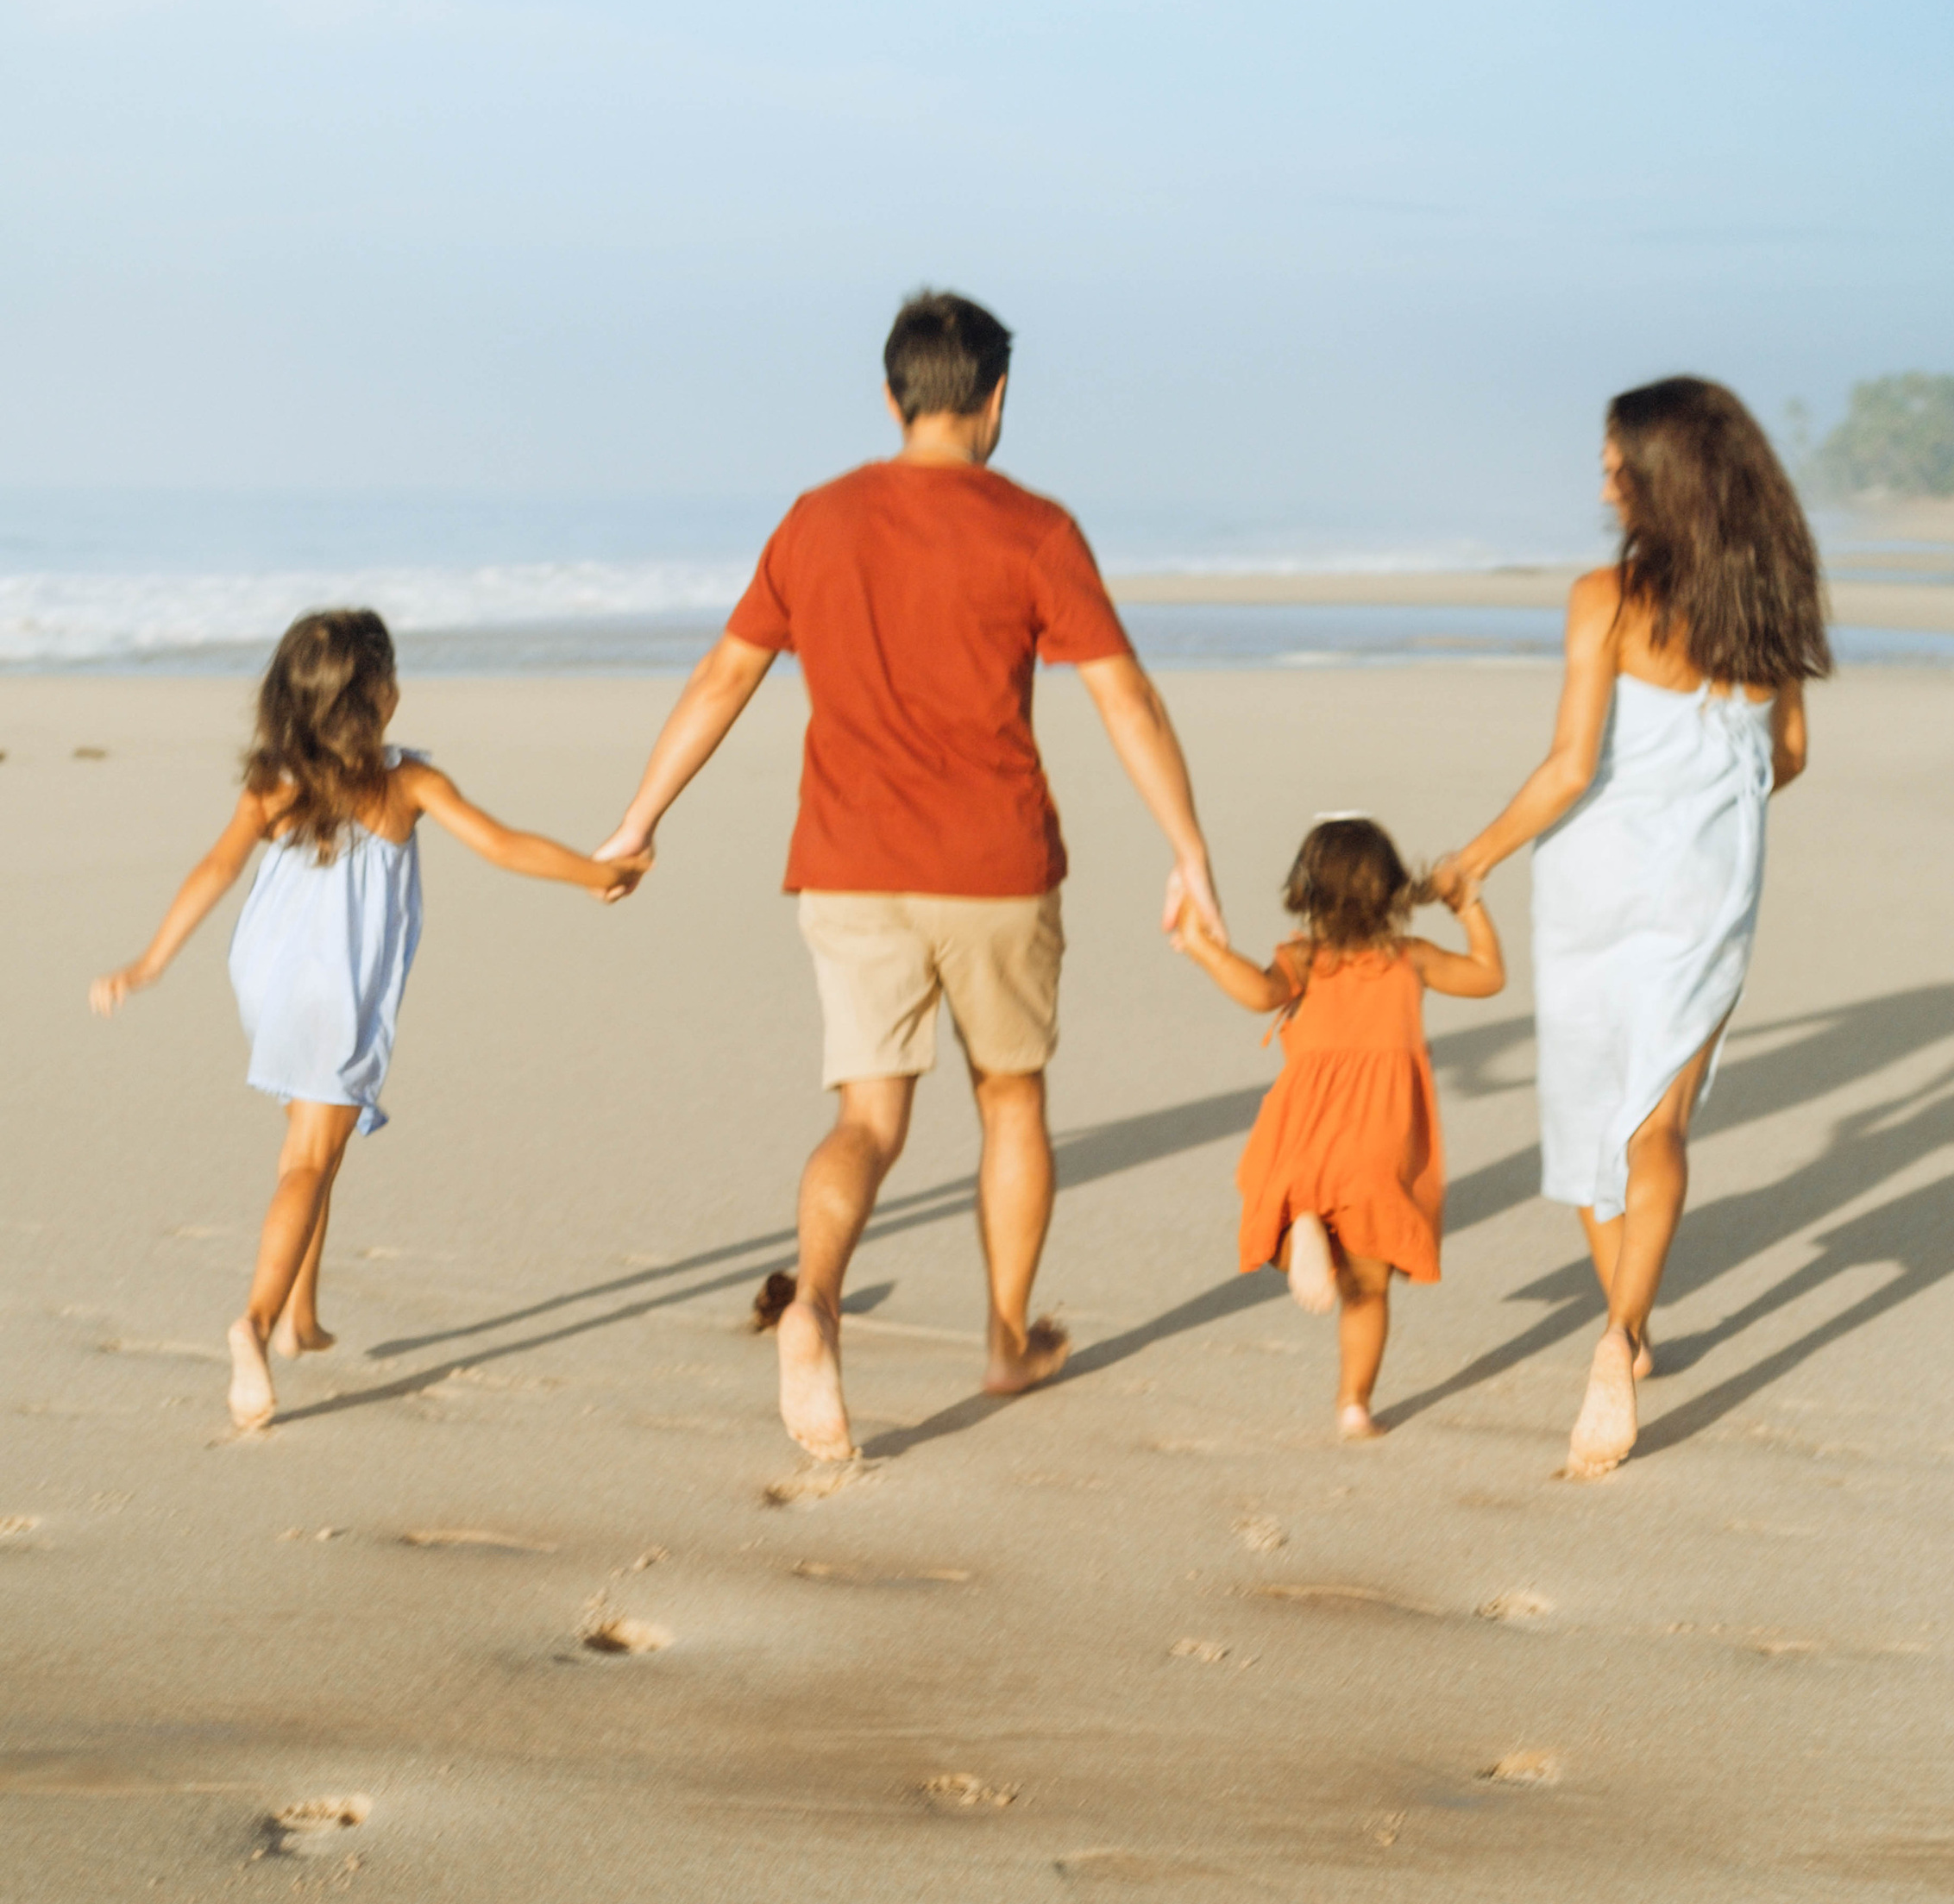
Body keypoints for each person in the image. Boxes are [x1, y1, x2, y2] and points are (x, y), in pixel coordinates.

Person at [593, 290, 1223, 1462]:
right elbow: (1123, 695)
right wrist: (1188, 848)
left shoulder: (815, 521)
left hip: (849, 864)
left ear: (891, 397)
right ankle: (1001, 1339)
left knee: (869, 1117)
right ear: (995, 401)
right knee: (1011, 1100)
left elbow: (723, 679)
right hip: (993, 866)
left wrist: (637, 820)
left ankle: (818, 1306)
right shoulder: (1034, 527)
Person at [89, 607, 643, 1432]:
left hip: (267, 978)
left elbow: (215, 868)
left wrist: (151, 961)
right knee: (307, 1162)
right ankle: (256, 1321)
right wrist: (596, 873)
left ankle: (302, 1319)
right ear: (373, 698)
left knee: (315, 1143)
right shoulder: (407, 783)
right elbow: (501, 845)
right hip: (335, 995)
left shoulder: (274, 783)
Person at [1431, 377, 1826, 1478]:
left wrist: (1471, 858)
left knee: (1594, 1129)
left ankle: (1630, 1324)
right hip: (1707, 894)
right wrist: (1710, 814)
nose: (1603, 481)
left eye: (1617, 465)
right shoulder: (1772, 605)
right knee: (1658, 1127)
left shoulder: (1601, 598)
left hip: (1592, 889)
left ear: (1662, 479)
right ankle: (1619, 1337)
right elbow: (1786, 758)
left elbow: (1568, 772)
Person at [1172, 818, 1504, 1437]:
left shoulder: (1305, 958)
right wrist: (1467, 904)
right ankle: (1354, 1405)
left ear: (1308, 890)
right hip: (1381, 1133)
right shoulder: (1411, 960)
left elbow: (1259, 994)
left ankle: (1303, 1220)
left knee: (1282, 1198)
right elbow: (1489, 975)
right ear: (1393, 891)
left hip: (1304, 1127)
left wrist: (1204, 948)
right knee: (1368, 1286)